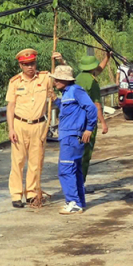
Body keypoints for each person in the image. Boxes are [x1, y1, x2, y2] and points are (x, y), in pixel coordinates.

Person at [52, 51, 110, 193]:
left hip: (73, 125)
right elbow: (95, 106)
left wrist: (107, 57)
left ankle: (76, 188)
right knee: (84, 156)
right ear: (93, 68)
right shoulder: (92, 82)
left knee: (74, 157)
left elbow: (99, 69)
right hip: (85, 124)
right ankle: (79, 186)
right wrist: (102, 123)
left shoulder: (78, 78)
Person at [6, 48, 53, 208]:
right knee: (18, 161)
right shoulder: (14, 82)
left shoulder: (45, 77)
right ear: (21, 66)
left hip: (39, 125)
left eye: (32, 63)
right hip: (20, 125)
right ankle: (16, 195)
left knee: (36, 161)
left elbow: (63, 79)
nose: (30, 67)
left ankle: (32, 193)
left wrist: (60, 61)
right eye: (26, 64)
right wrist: (11, 129)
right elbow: (10, 107)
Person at [51, 65, 99, 215]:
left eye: (58, 79)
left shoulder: (75, 90)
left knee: (65, 170)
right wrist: (55, 100)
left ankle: (72, 202)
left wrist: (89, 128)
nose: (55, 82)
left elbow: (91, 108)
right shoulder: (66, 93)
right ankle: (79, 202)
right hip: (69, 135)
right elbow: (69, 110)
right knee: (75, 170)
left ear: (66, 80)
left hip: (72, 136)